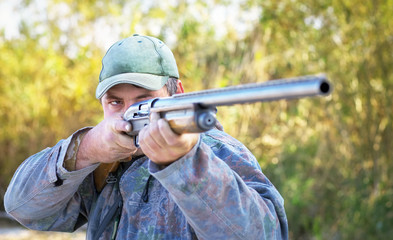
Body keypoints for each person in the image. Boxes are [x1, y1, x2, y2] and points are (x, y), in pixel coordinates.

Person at [4, 34, 288, 239]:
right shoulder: (106, 160)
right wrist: (87, 148)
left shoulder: (217, 151)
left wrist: (185, 163)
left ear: (178, 94)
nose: (129, 114)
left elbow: (265, 234)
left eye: (144, 100)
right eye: (115, 103)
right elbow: (21, 208)